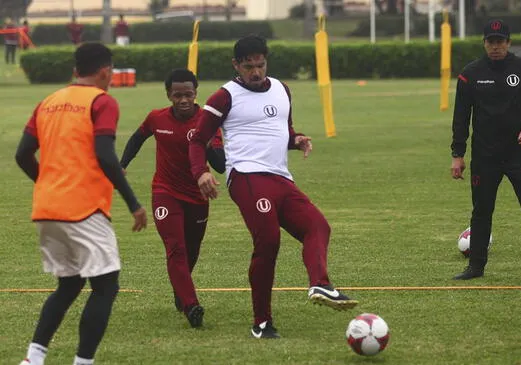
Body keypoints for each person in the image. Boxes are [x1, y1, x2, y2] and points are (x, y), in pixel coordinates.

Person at [189, 35, 358, 339]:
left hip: (280, 177)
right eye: (249, 66)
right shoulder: (224, 97)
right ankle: (262, 322)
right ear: (236, 65)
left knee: (318, 226)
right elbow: (197, 140)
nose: (255, 72)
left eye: (260, 65)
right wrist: (201, 172)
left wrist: (297, 140)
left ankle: (320, 283)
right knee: (268, 241)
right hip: (246, 176)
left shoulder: (282, 89)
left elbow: (283, 130)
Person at [14, 42, 148, 365]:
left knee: (69, 285)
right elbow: (105, 154)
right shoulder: (102, 102)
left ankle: (33, 358)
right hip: (84, 210)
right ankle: (83, 362)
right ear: (105, 72)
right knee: (106, 286)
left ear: (76, 71)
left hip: (47, 210)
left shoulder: (48, 102)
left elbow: (22, 155)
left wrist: (48, 184)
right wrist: (133, 202)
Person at [119, 68, 226, 328]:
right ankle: (191, 306)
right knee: (175, 248)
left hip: (198, 195)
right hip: (165, 193)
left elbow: (221, 165)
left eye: (188, 94)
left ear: (195, 93)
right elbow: (137, 138)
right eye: (177, 95)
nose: (183, 100)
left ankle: (181, 290)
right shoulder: (156, 119)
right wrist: (122, 165)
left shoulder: (208, 122)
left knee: (192, 250)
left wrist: (207, 141)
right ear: (169, 95)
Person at [450, 19, 521, 280]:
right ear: (484, 43)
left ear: (509, 43)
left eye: (500, 41)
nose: (495, 46)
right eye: (490, 41)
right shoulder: (469, 74)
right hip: (486, 157)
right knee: (481, 211)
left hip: (520, 154)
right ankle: (475, 268)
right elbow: (461, 118)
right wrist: (457, 154)